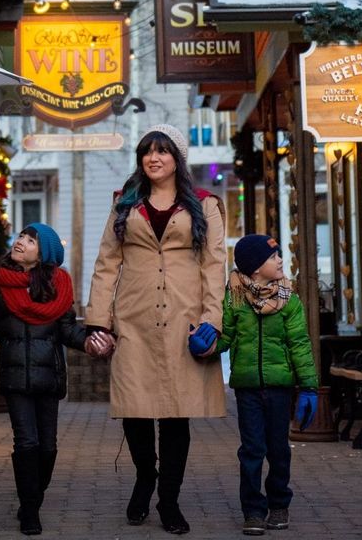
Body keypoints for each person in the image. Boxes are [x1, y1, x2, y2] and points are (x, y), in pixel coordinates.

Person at [85, 123, 227, 535]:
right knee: (136, 408)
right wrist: (99, 321)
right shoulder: (124, 205)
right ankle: (145, 475)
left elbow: (214, 267)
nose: (154, 158)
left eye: (163, 151)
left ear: (177, 159)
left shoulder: (204, 204)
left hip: (185, 322)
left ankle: (168, 500)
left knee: (176, 414)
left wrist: (211, 322)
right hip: (134, 320)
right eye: (148, 151)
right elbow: (106, 264)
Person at [0, 223, 108, 536]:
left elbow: (68, 331)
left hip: (48, 378)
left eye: (30, 240)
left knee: (48, 448)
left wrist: (91, 342)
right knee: (27, 442)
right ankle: (29, 510)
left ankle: (33, 496)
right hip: (13, 378)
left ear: (44, 254)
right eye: (22, 237)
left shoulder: (59, 287)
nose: (21, 242)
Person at [216, 234, 318, 535]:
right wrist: (206, 342)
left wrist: (309, 386)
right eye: (274, 257)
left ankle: (278, 504)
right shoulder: (234, 297)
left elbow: (299, 343)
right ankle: (253, 511)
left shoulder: (289, 300)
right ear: (256, 267)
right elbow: (226, 335)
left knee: (278, 449)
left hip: (279, 387)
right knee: (251, 450)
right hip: (247, 387)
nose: (280, 261)